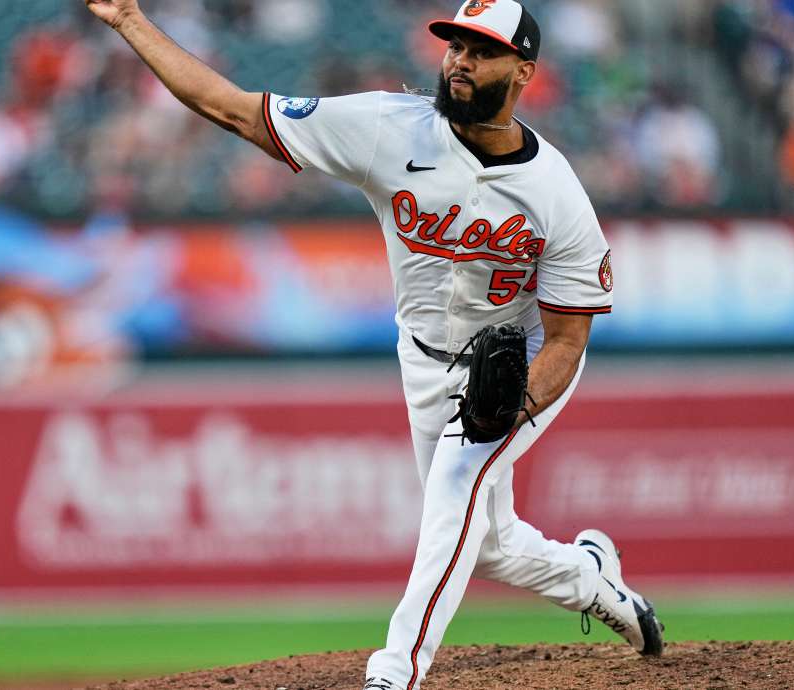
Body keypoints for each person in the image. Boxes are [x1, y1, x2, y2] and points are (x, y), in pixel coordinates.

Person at [83, 1, 665, 688]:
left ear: (523, 72)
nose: (460, 61)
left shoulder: (557, 193)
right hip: (422, 358)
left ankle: (395, 672)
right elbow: (237, 111)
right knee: (487, 544)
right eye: (455, 46)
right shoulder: (389, 127)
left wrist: (515, 403)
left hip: (520, 364)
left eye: (482, 51)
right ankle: (593, 579)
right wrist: (131, 22)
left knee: (457, 484)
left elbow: (568, 338)